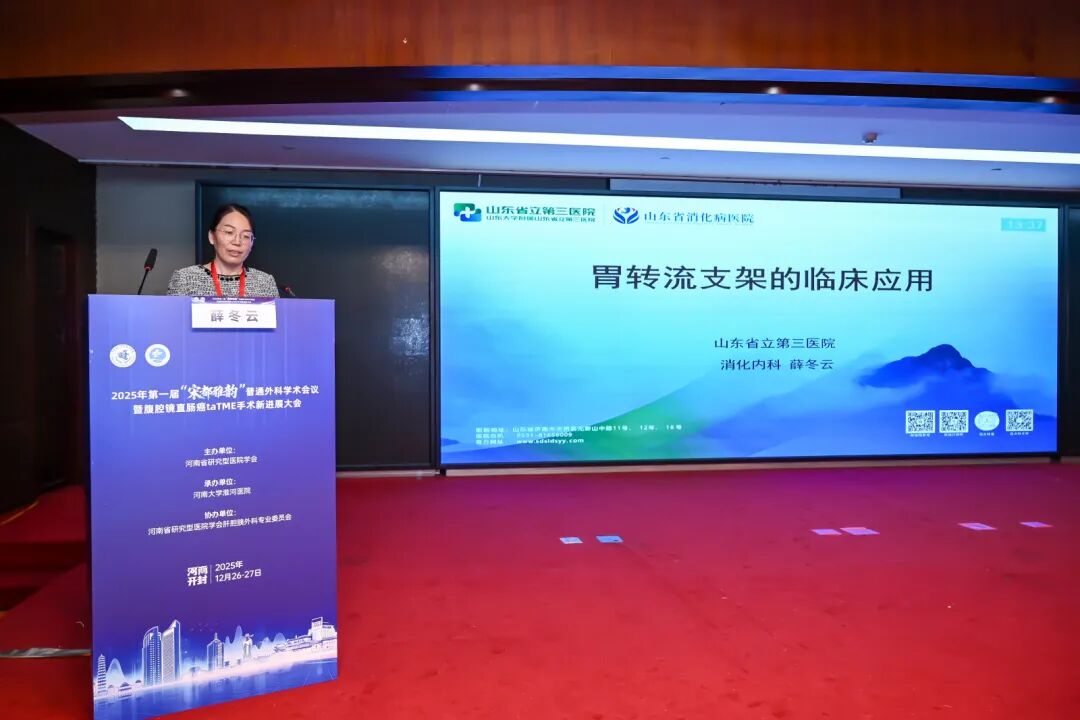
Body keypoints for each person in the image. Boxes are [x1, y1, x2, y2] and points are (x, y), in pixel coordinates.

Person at [167, 203, 280, 297]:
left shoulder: (265, 283)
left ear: (252, 243)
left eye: (246, 236)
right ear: (212, 236)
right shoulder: (185, 279)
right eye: (229, 232)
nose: (237, 242)